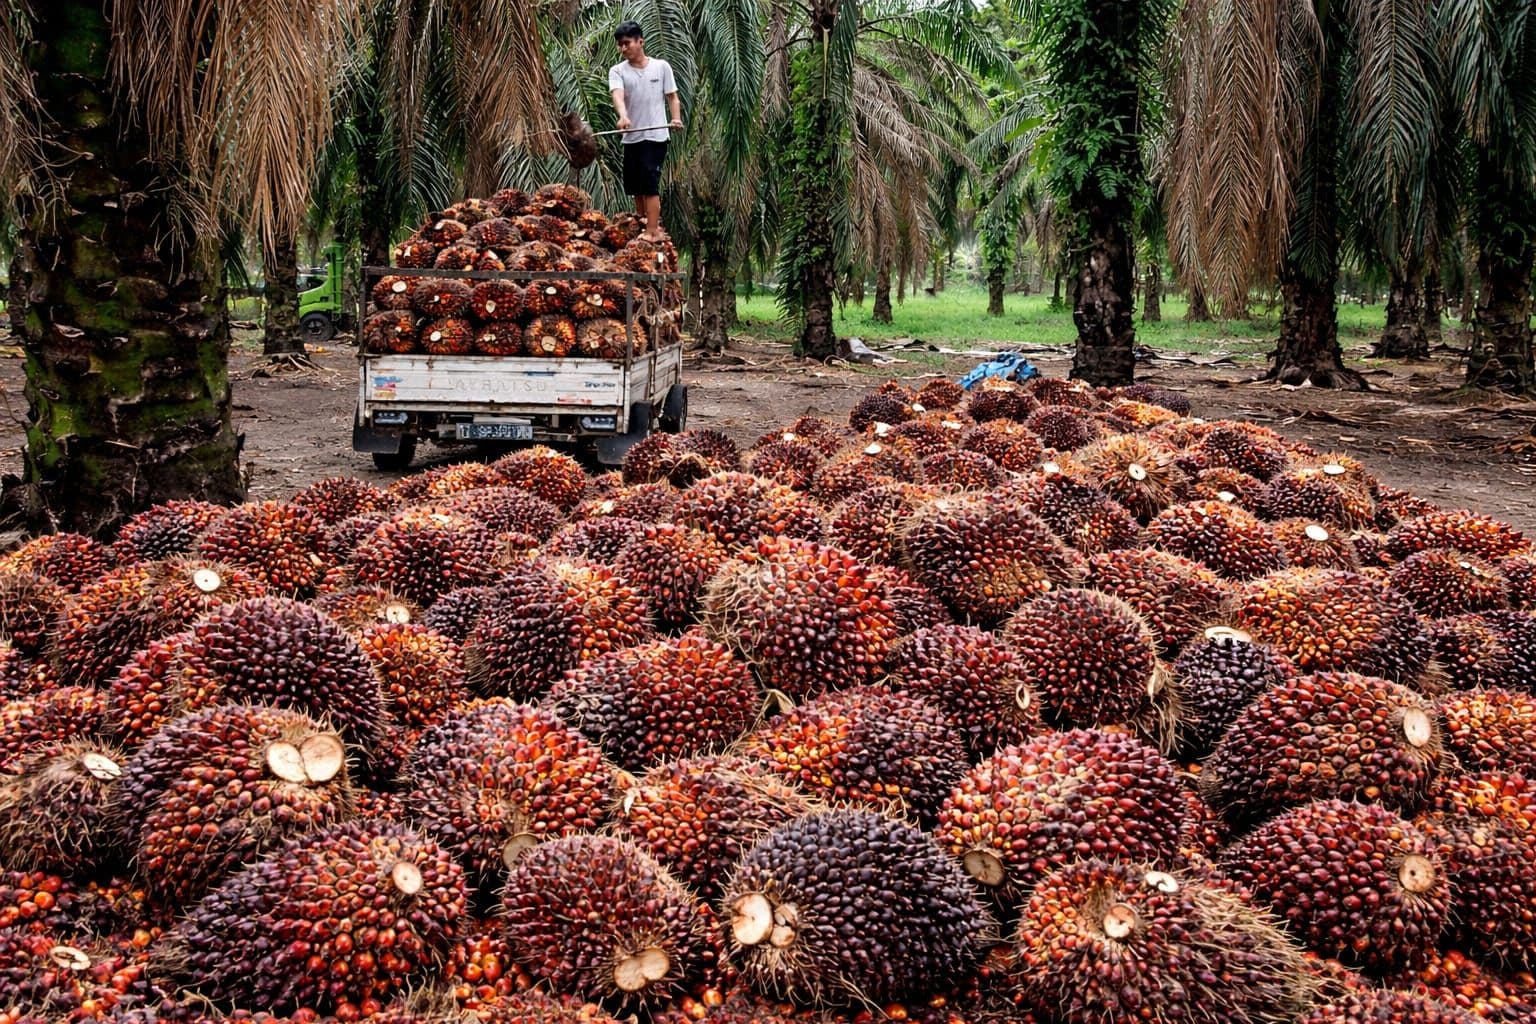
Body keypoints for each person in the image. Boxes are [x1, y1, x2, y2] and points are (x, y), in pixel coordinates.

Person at [608, 21, 682, 242]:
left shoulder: (661, 67)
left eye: (627, 43)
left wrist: (675, 118)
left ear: (640, 41)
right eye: (620, 45)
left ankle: (652, 230)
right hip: (632, 138)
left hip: (655, 136)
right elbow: (617, 95)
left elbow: (672, 96)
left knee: (649, 184)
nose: (623, 49)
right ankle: (642, 224)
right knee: (636, 187)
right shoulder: (617, 71)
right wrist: (623, 116)